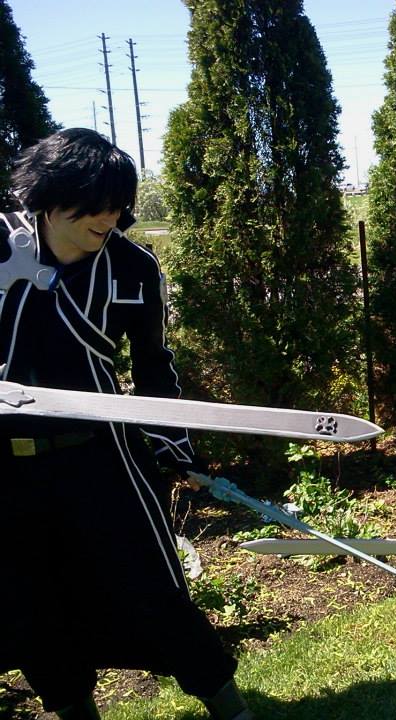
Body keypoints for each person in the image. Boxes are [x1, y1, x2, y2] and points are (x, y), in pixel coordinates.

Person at [0, 129, 252, 719]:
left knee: (152, 587)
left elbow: (155, 369)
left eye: (118, 205)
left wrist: (176, 449)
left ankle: (229, 706)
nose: (110, 218)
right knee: (30, 600)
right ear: (50, 195)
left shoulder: (133, 267)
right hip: (6, 473)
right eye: (96, 204)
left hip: (101, 457)